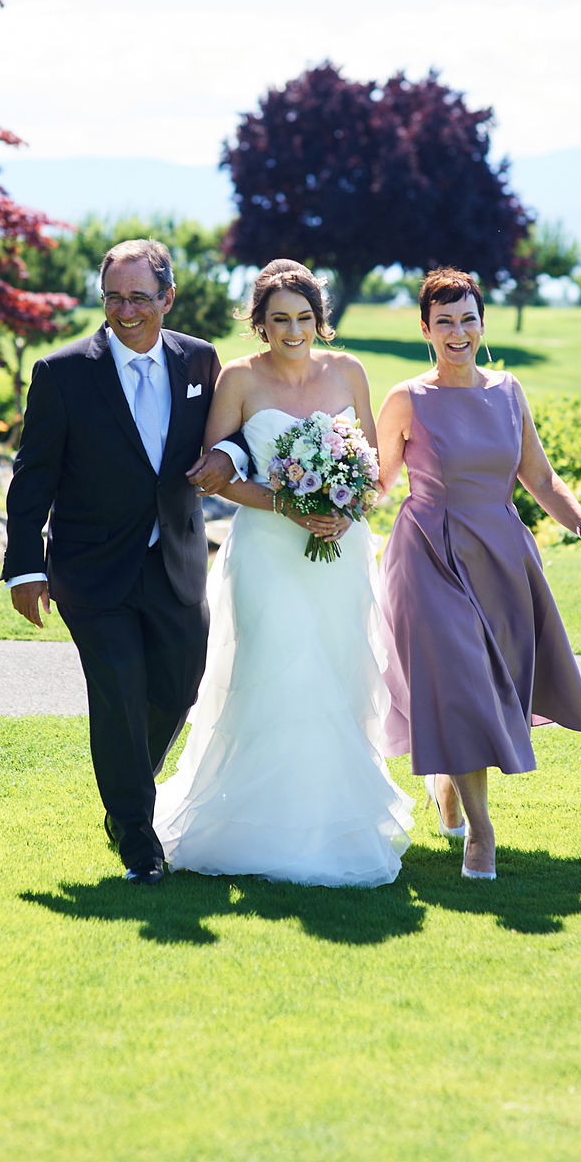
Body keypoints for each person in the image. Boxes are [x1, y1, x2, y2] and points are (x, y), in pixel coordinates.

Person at [151, 260, 415, 887]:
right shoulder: (240, 379)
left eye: (302, 318)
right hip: (268, 551)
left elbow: (374, 469)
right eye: (278, 320)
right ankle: (256, 825)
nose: (292, 330)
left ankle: (330, 820)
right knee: (276, 668)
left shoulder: (349, 371)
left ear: (319, 321)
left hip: (339, 551)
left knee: (335, 670)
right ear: (260, 324)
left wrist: (346, 508)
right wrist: (289, 504)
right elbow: (215, 473)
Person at [2, 238, 240, 885]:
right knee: (118, 695)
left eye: (139, 297)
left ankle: (130, 783)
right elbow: (32, 476)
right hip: (90, 569)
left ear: (168, 296)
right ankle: (135, 832)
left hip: (177, 563)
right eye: (114, 297)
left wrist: (231, 460)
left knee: (179, 686)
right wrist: (26, 566)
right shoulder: (62, 372)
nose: (126, 310)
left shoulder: (200, 361)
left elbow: (228, 436)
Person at [375, 267, 581, 880]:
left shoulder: (508, 391)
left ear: (483, 324)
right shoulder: (406, 397)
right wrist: (315, 498)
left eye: (468, 319)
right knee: (458, 677)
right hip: (428, 553)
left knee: (485, 683)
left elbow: (539, 477)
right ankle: (481, 835)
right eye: (445, 321)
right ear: (425, 329)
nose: (458, 332)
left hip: (501, 553)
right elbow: (376, 482)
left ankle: (450, 790)